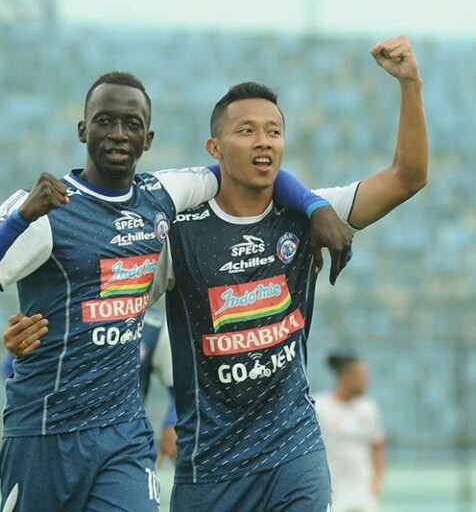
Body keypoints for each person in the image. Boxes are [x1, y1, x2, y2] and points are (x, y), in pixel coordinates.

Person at [0, 71, 353, 512]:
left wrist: (314, 205)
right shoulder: (46, 208)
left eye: (131, 124)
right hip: (44, 432)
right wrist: (19, 219)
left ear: (147, 138)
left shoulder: (162, 196)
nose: (118, 134)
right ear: (83, 130)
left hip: (124, 436)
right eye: (104, 121)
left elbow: (247, 170)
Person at [145, 35, 427, 511]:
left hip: (293, 451)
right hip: (210, 465)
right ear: (214, 146)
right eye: (247, 130)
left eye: (274, 131)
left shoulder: (310, 217)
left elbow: (407, 177)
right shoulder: (179, 234)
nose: (263, 141)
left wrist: (410, 84)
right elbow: (116, 302)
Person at [2, 307, 178, 466]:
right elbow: (12, 372)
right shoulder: (54, 310)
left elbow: (180, 382)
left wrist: (173, 421)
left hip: (122, 441)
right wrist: (19, 351)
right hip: (53, 439)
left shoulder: (153, 324)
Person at [315, 354, 386, 512]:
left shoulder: (368, 408)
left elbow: (377, 446)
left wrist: (377, 482)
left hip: (362, 489)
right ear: (346, 377)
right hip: (332, 489)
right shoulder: (320, 407)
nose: (366, 381)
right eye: (362, 376)